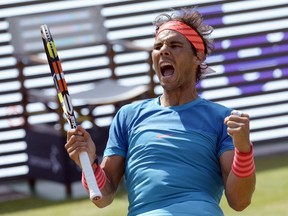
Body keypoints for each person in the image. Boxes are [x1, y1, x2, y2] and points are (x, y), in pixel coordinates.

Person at [65, 7, 256, 216]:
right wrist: (89, 163)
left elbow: (240, 201)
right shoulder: (128, 116)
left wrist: (243, 150)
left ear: (198, 57)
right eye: (158, 46)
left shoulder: (222, 119)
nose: (164, 50)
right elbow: (104, 197)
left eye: (175, 45)